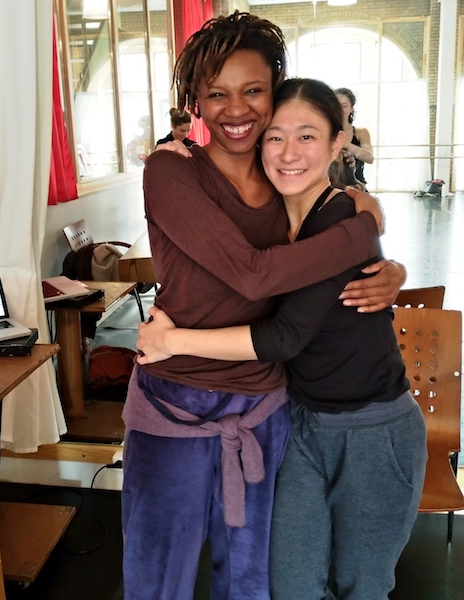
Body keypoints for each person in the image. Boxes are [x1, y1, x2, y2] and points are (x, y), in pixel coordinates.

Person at [122, 12, 405, 600]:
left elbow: (325, 244)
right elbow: (253, 276)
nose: (236, 109)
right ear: (194, 100)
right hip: (176, 399)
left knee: (252, 580)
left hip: (264, 404)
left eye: (253, 90)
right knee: (157, 577)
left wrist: (388, 260)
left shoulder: (286, 182)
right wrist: (365, 228)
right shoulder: (173, 171)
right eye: (216, 93)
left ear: (273, 91)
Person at [335, 87, 374, 189]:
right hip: (332, 187)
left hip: (358, 187)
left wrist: (346, 145)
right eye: (336, 106)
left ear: (351, 108)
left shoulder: (361, 132)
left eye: (344, 106)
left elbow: (369, 157)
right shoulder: (326, 133)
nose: (340, 110)